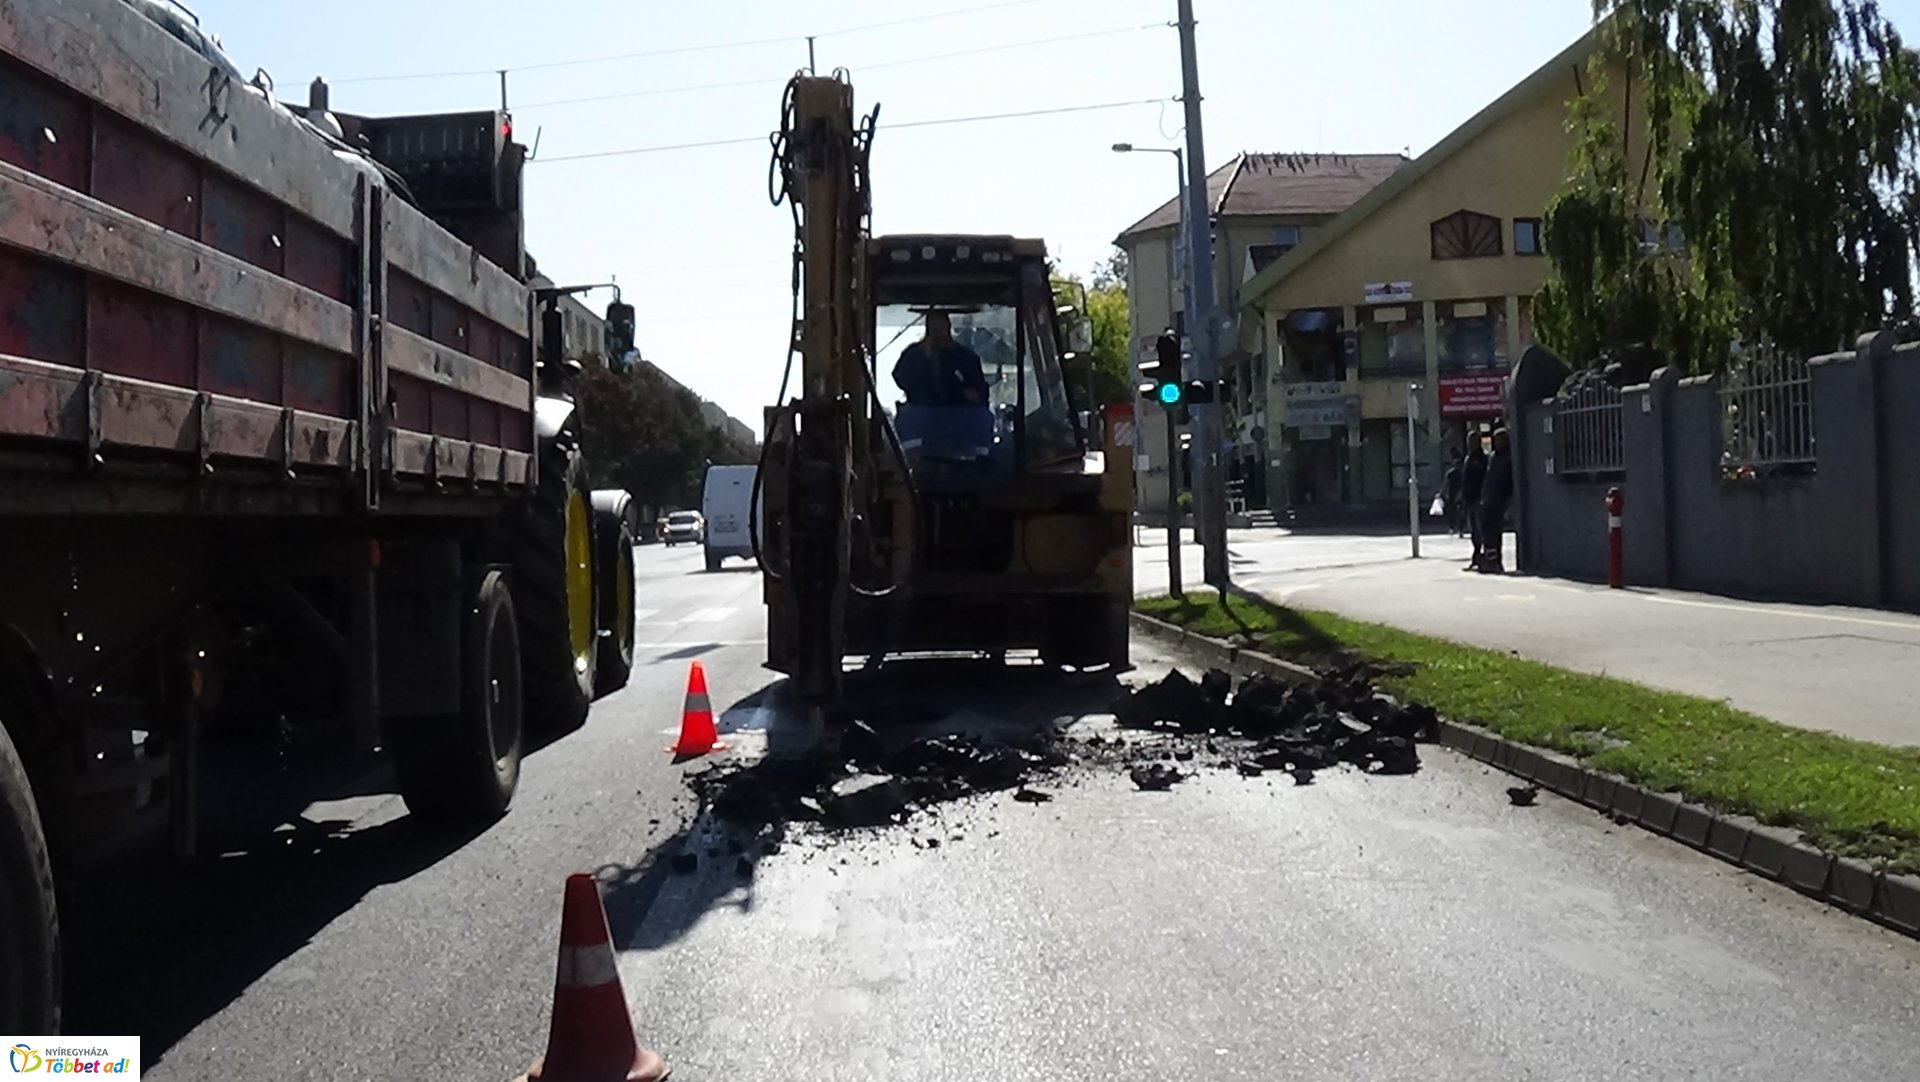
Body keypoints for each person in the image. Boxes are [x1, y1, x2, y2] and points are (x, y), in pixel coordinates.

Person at [892, 311, 988, 408]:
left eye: (942, 329)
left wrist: (967, 392)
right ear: (928, 331)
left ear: (948, 328)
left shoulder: (965, 356)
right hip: (921, 413)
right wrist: (925, 358)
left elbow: (979, 391)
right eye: (934, 330)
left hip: (959, 414)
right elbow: (900, 376)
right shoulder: (913, 354)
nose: (939, 334)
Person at [1476, 427, 1514, 573]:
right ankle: (1489, 560)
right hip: (1488, 499)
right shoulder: (1493, 457)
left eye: (1499, 440)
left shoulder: (1508, 458)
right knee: (1486, 532)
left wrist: (1508, 501)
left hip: (1499, 500)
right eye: (1495, 440)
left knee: (1495, 532)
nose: (1496, 442)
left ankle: (1495, 562)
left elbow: (1508, 481)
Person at [1459, 437, 1488, 566]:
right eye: (1469, 441)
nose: (1471, 444)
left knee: (1480, 528)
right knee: (1473, 529)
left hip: (1478, 497)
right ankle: (1476, 555)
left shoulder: (1483, 459)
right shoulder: (1468, 458)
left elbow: (1484, 477)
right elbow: (1464, 479)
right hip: (1469, 498)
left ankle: (1484, 555)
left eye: (1473, 441)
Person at [1441, 449, 1464, 537]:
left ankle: (1452, 528)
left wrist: (1442, 493)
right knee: (1459, 513)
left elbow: (1445, 483)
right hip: (1457, 495)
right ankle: (1459, 529)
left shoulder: (1450, 473)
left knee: (1453, 513)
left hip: (1452, 494)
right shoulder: (1461, 473)